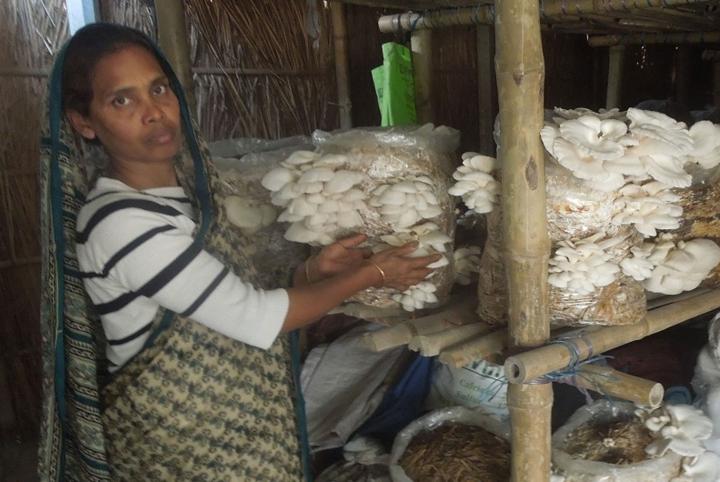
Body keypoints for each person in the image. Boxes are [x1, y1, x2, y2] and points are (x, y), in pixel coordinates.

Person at [40, 22, 437, 481]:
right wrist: (375, 275)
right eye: (121, 100)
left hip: (230, 434)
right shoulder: (121, 222)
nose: (153, 112)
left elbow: (217, 301)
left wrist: (309, 275)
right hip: (185, 447)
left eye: (159, 89)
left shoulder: (184, 198)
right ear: (84, 122)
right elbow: (252, 318)